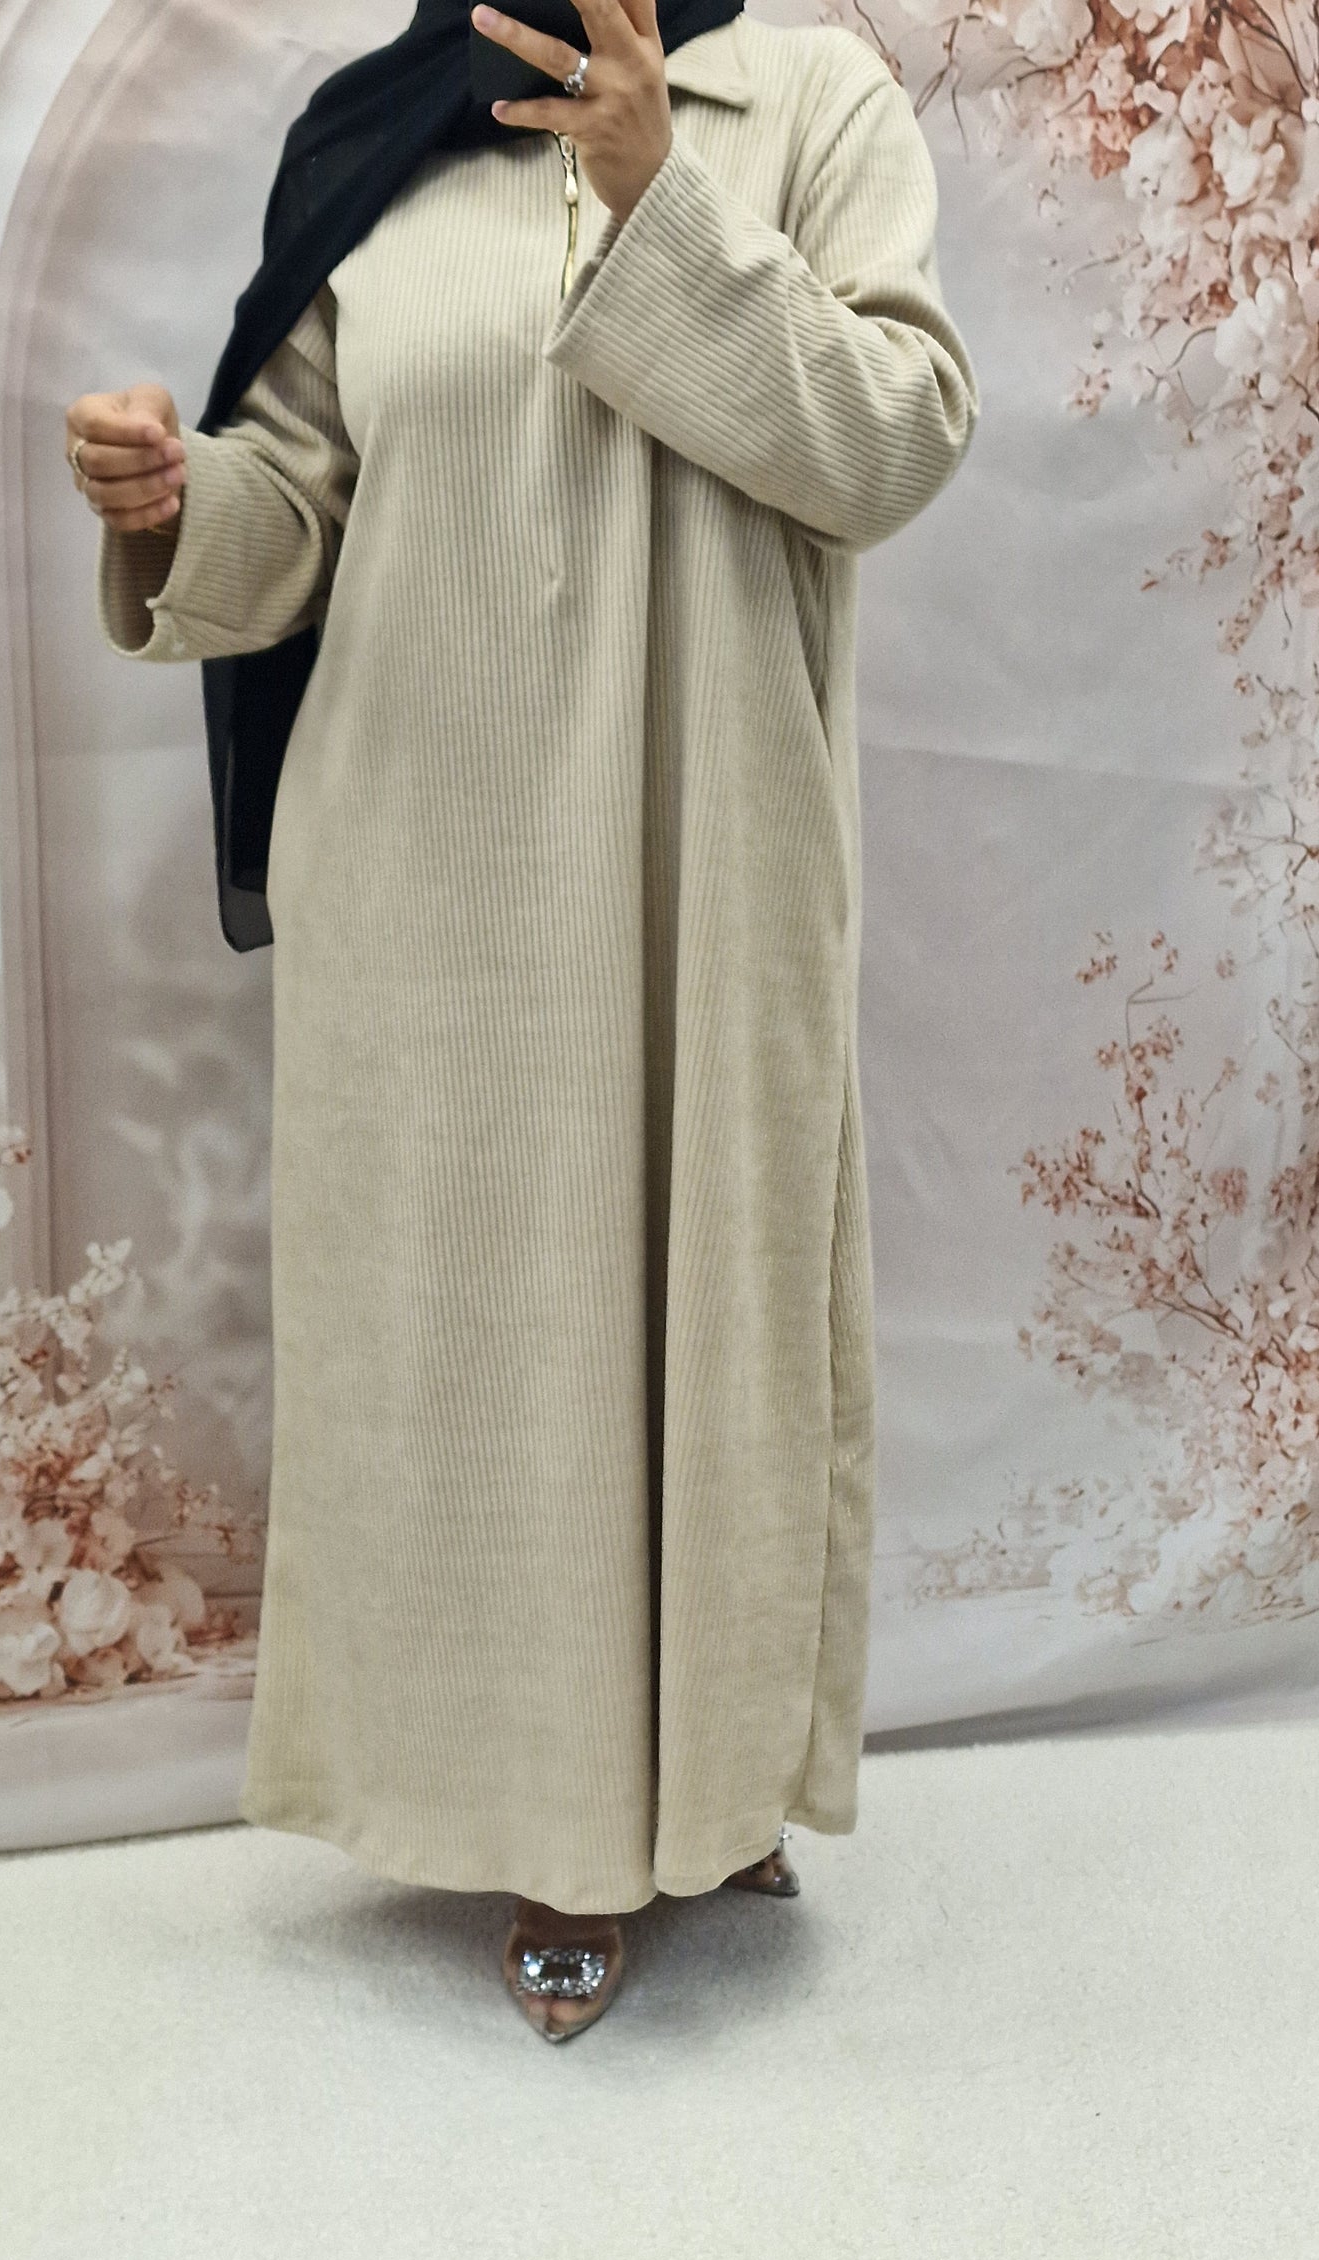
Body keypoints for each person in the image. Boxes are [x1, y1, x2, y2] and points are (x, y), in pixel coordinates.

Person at [66, 0, 978, 2043]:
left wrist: (658, 200)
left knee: (709, 1327)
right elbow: (297, 510)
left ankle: (708, 1787)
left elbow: (894, 440)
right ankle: (551, 1822)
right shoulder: (380, 136)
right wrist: (174, 503)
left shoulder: (805, 101)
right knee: (483, 1360)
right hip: (429, 887)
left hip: (702, 862)